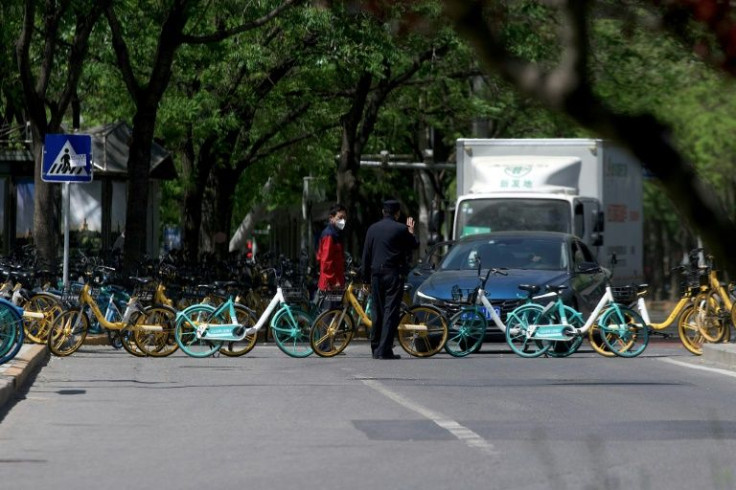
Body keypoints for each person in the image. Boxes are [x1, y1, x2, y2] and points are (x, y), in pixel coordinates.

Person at [361, 199, 418, 359]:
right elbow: (414, 244)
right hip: (393, 274)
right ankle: (384, 349)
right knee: (390, 311)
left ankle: (375, 347)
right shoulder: (400, 229)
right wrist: (411, 231)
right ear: (397, 213)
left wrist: (365, 279)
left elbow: (366, 255)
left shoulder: (372, 229)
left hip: (376, 274)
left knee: (377, 310)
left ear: (382, 212)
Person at [316, 203, 347, 310]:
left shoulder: (337, 234)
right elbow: (325, 261)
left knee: (336, 315)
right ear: (331, 218)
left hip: (335, 283)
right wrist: (334, 281)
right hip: (331, 285)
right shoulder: (329, 235)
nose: (343, 221)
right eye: (340, 218)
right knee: (330, 317)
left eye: (344, 218)